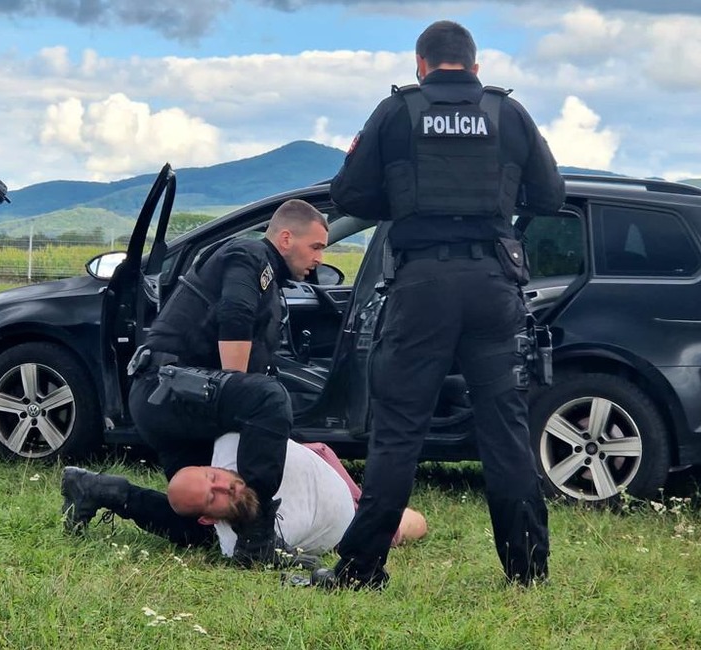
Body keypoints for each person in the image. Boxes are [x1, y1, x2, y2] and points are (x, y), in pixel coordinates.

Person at [314, 20, 566, 590]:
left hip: (422, 284)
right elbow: (551, 196)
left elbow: (347, 194)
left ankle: (360, 571)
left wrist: (406, 203)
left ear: (420, 66)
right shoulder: (509, 114)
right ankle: (528, 573)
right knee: (504, 431)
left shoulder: (396, 111)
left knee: (399, 431)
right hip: (493, 283)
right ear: (475, 68)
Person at [62, 198, 330, 566]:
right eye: (316, 246)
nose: (319, 257)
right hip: (169, 388)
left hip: (171, 399)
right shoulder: (250, 254)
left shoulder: (269, 275)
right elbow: (235, 314)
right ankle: (257, 541)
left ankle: (99, 490)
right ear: (286, 238)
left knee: (205, 522)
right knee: (267, 399)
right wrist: (238, 393)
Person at [165, 433, 428, 558]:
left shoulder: (229, 441)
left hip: (319, 458)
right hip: (343, 514)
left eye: (213, 477)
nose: (225, 487)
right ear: (207, 519)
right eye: (213, 497)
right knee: (411, 524)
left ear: (208, 466)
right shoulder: (244, 545)